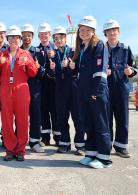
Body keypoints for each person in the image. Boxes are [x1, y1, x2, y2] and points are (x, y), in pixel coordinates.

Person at [0, 25, 38, 161]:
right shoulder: (1, 54)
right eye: (11, 38)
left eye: (16, 38)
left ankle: (21, 150)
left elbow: (33, 73)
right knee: (6, 120)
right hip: (6, 89)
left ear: (19, 39)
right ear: (7, 39)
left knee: (22, 120)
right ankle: (10, 149)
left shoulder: (26, 54)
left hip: (22, 89)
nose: (13, 40)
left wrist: (28, 62)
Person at [71, 15, 112, 168]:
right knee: (88, 123)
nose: (84, 32)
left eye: (88, 30)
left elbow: (100, 71)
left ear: (93, 31)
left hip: (96, 91)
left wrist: (96, 91)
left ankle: (104, 158)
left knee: (100, 124)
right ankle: (91, 153)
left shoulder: (99, 45)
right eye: (82, 30)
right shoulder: (82, 48)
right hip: (83, 91)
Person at [103, 19, 137, 158]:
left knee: (122, 118)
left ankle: (121, 146)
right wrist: (104, 72)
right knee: (106, 119)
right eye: (109, 31)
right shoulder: (101, 48)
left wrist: (131, 72)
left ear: (119, 32)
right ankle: (106, 146)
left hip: (122, 88)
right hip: (105, 89)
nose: (112, 33)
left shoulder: (125, 48)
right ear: (105, 33)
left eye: (114, 30)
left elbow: (134, 67)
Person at [50, 26, 85, 155]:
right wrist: (52, 68)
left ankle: (80, 145)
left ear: (66, 38)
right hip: (59, 89)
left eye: (61, 38)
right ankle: (64, 143)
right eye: (56, 38)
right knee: (62, 118)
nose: (59, 40)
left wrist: (73, 66)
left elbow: (81, 68)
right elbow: (49, 74)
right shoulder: (53, 55)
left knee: (78, 117)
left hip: (74, 88)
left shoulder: (74, 52)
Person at [20, 24, 45, 153]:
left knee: (35, 114)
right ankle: (20, 140)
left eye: (29, 35)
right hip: (20, 88)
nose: (26, 38)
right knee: (20, 115)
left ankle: (34, 141)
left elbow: (43, 72)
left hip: (34, 88)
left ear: (32, 36)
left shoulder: (38, 52)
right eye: (24, 36)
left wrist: (39, 67)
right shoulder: (16, 51)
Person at [36, 22, 58, 146]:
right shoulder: (36, 50)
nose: (44, 36)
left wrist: (54, 57)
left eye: (46, 34)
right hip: (41, 85)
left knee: (55, 111)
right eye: (42, 34)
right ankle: (45, 138)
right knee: (43, 111)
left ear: (50, 35)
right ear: (39, 36)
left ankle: (58, 137)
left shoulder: (56, 49)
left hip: (54, 85)